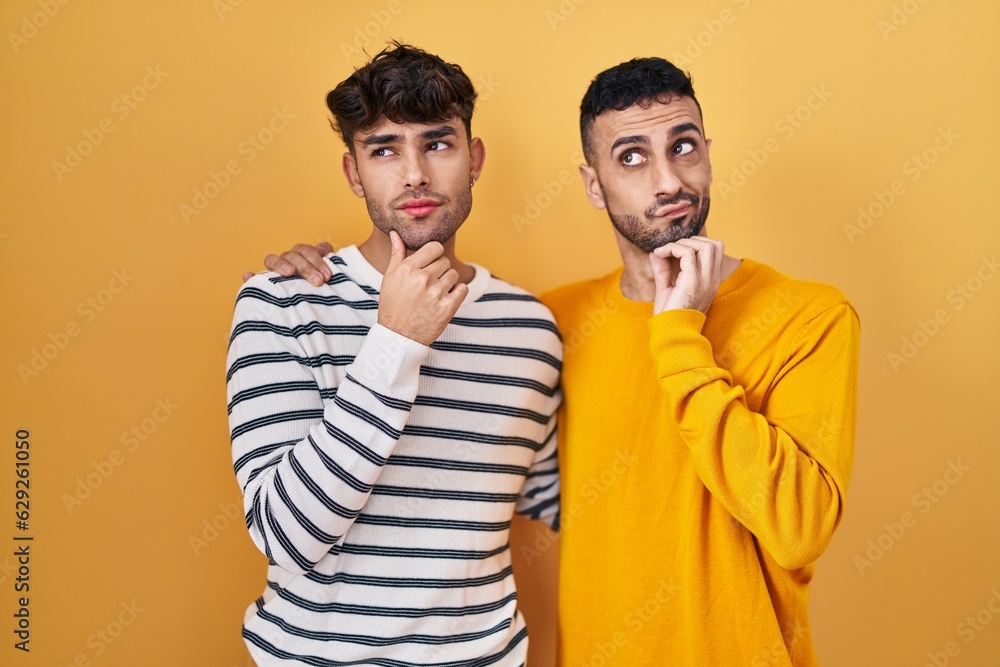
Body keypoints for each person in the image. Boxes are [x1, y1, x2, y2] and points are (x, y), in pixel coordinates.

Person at [260, 57, 860, 666]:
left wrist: (679, 332)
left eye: (683, 146)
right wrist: (366, 314)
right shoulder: (559, 319)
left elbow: (796, 531)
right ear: (593, 183)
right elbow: (556, 490)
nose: (668, 182)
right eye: (631, 156)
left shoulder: (805, 315)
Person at [227, 42, 561, 666]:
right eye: (384, 149)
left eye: (438, 143)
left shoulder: (530, 328)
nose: (414, 174)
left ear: (474, 158)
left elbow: (563, 498)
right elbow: (284, 536)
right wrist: (394, 344)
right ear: (354, 173)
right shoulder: (282, 304)